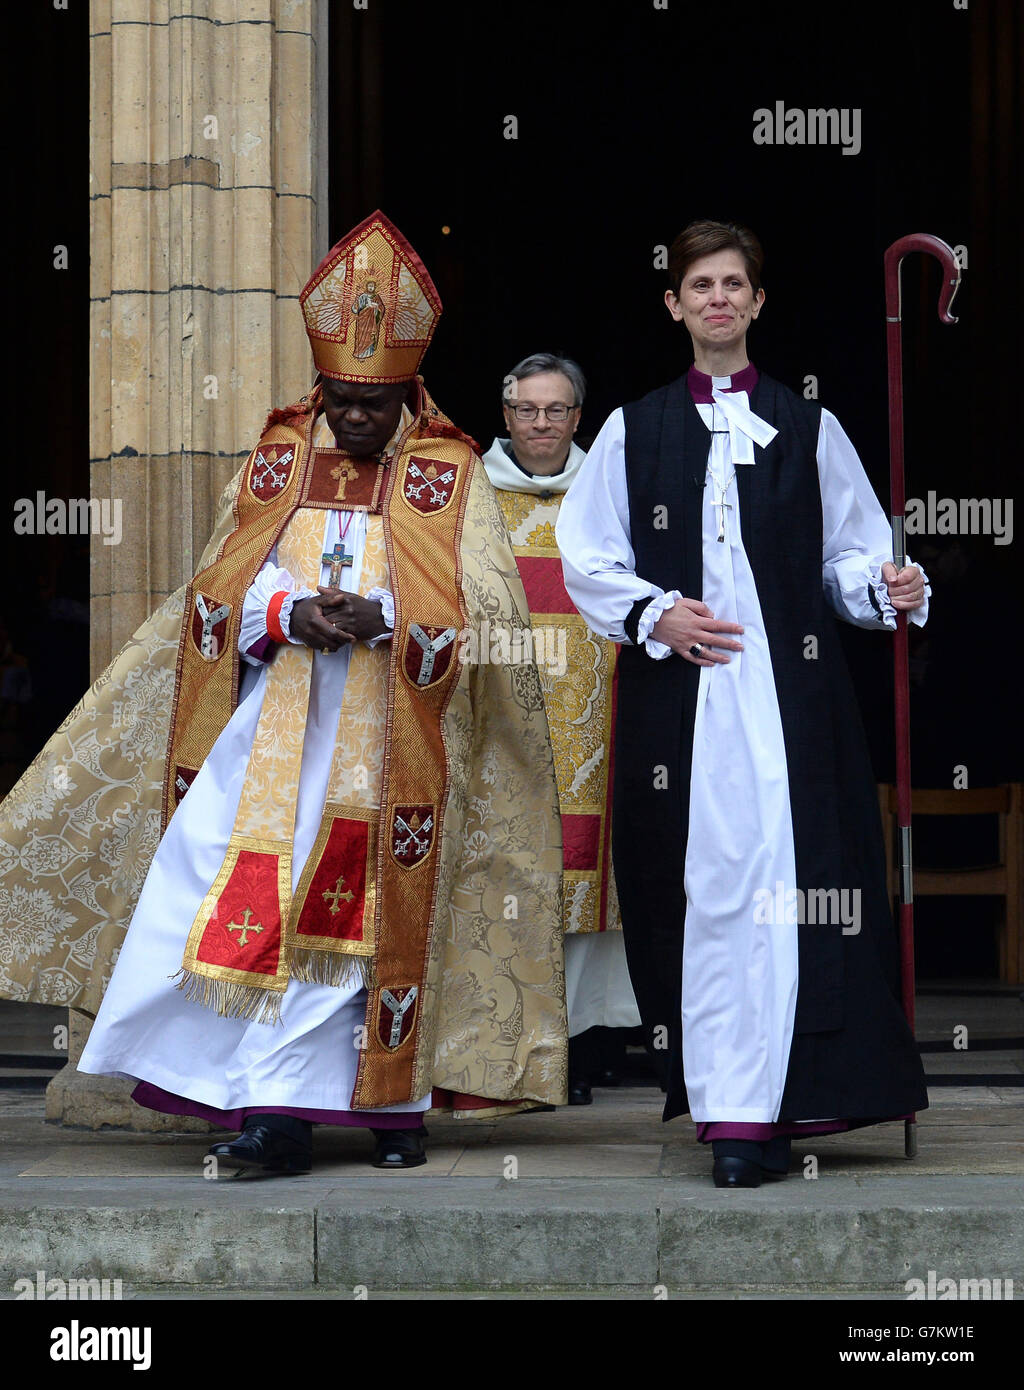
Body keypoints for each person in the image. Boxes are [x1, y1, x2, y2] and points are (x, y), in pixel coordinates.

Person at [1, 211, 566, 1174]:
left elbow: (488, 610)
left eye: (373, 402)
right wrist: (286, 616)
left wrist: (387, 616)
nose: (353, 418)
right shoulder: (277, 457)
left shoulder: (448, 468)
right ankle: (258, 1097)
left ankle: (368, 1105)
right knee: (238, 897)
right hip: (271, 735)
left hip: (393, 741)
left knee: (366, 913)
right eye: (342, 397)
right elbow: (217, 587)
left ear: (405, 391)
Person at [556, 219, 930, 1187]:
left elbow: (851, 553)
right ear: (672, 304)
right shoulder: (633, 428)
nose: (717, 298)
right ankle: (729, 1111)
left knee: (796, 896)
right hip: (680, 712)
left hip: (793, 710)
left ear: (757, 303)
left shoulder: (810, 425)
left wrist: (885, 587)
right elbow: (586, 557)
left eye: (734, 284)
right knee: (706, 895)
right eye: (699, 285)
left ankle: (792, 1097)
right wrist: (655, 613)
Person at [481, 354, 641, 1105]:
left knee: (589, 876)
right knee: (513, 874)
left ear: (579, 418)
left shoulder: (609, 491)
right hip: (501, 719)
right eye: (526, 410)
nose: (540, 424)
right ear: (505, 415)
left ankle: (586, 1038)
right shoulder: (466, 497)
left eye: (556, 410)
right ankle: (511, 1036)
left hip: (597, 717)